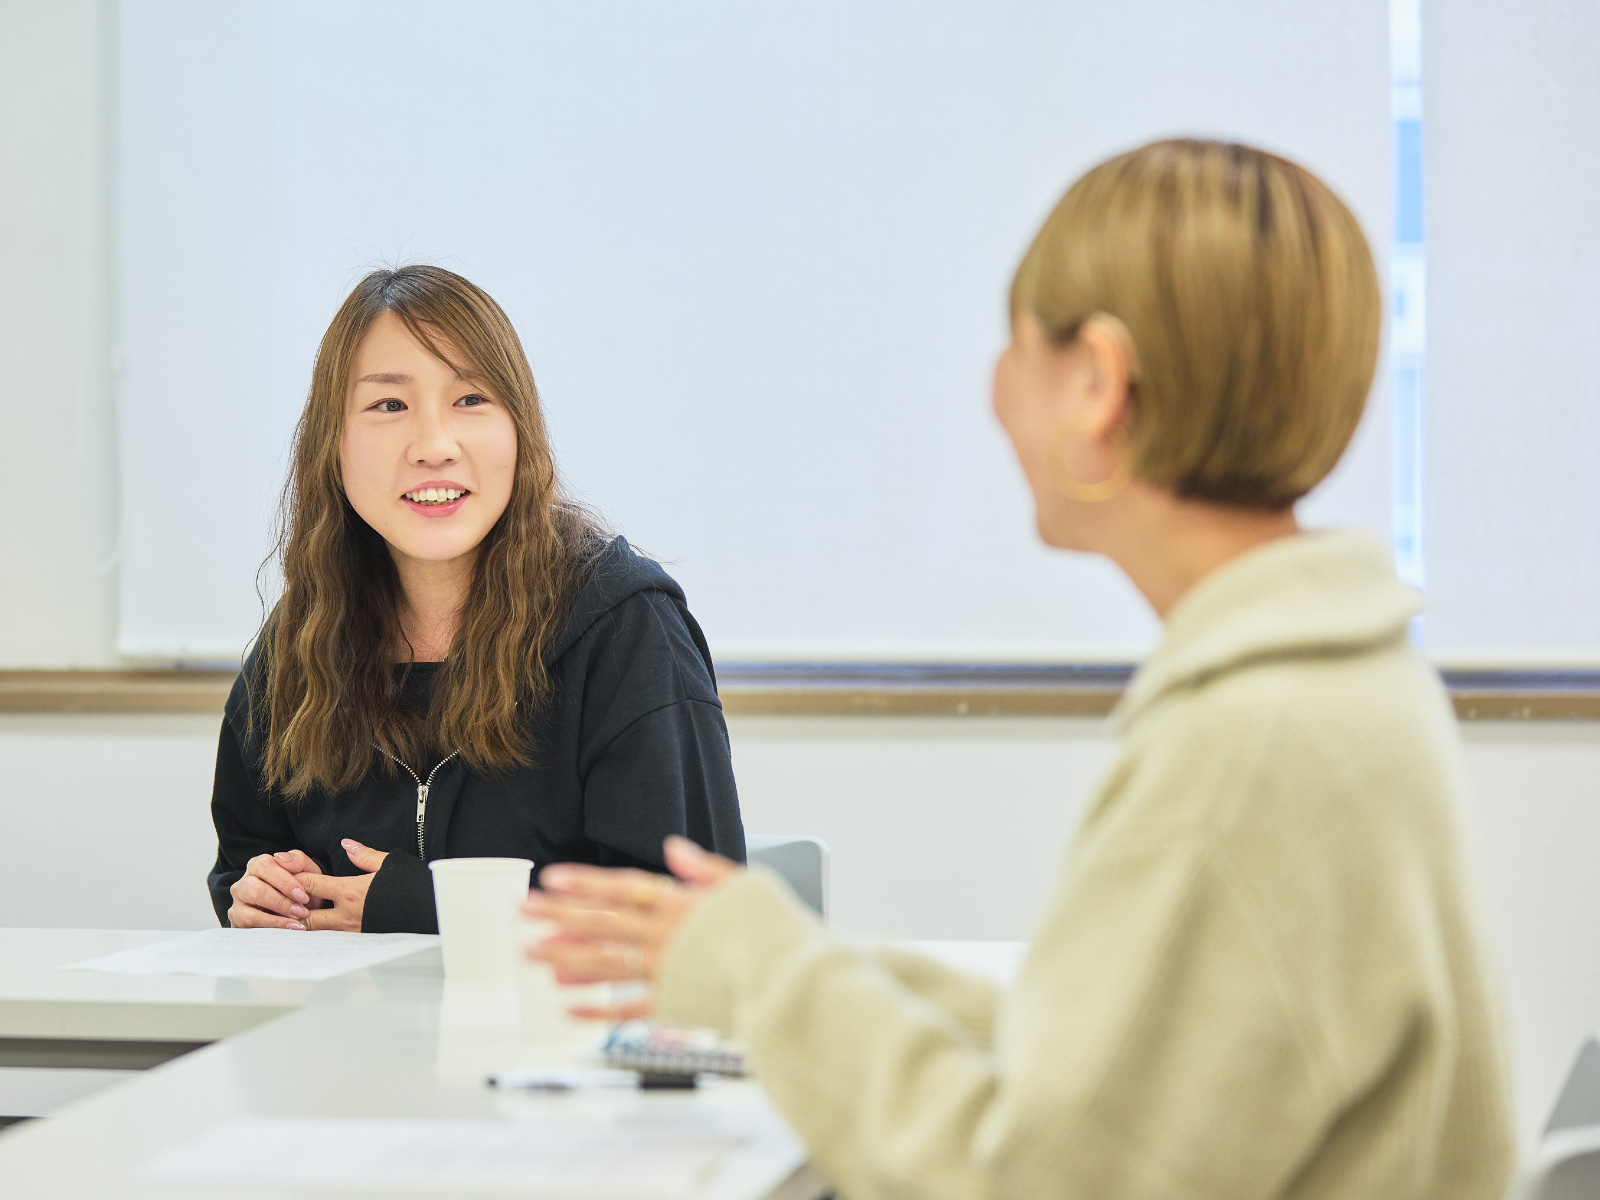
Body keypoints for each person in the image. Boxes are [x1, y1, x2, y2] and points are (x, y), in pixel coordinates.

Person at [525, 140, 1516, 1198]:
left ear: (1096, 381)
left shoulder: (1248, 747)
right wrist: (783, 965)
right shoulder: (1333, 680)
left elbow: (1031, 1178)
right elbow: (1114, 1068)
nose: (995, 390)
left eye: (1016, 346)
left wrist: (769, 970)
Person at [207, 265, 745, 934]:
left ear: (520, 429)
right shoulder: (305, 635)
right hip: (350, 1033)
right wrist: (257, 893)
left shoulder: (625, 627)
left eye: (471, 399)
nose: (434, 446)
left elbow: (691, 920)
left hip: (566, 1036)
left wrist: (426, 906)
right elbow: (245, 855)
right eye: (388, 405)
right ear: (333, 444)